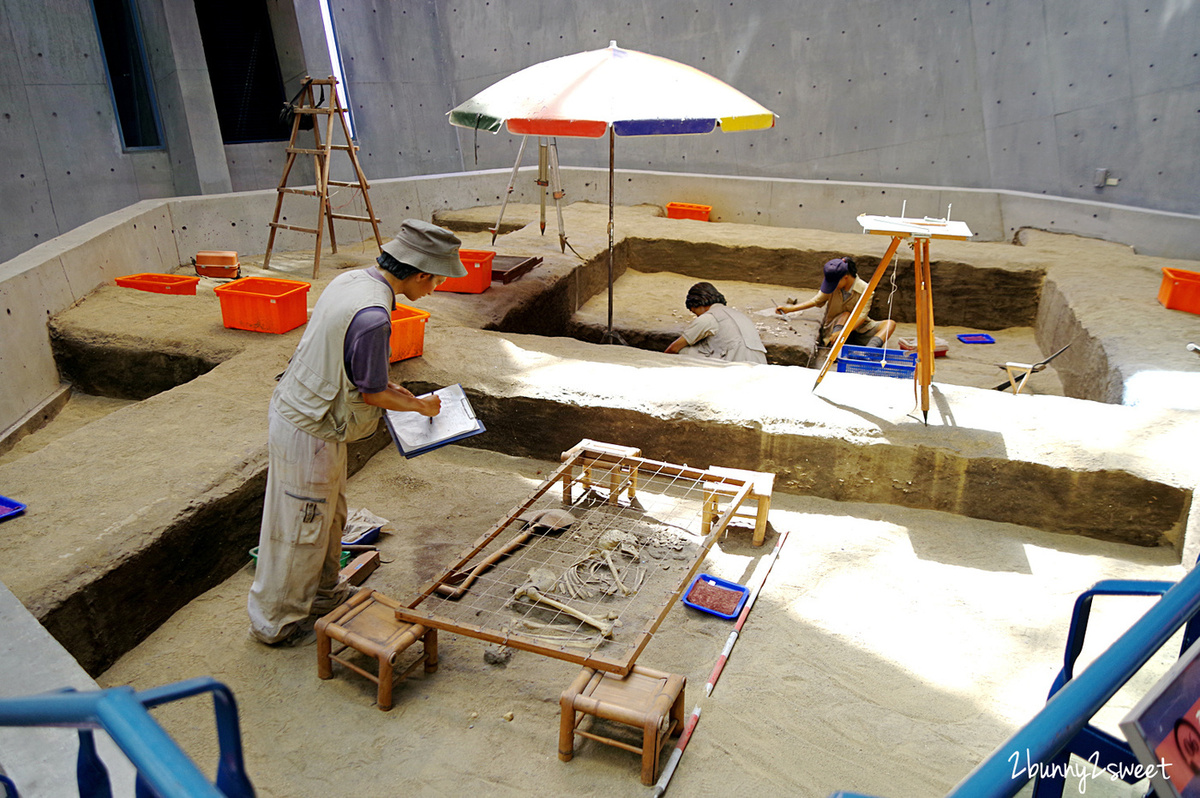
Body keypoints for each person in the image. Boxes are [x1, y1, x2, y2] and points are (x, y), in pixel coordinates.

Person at [247, 219, 466, 646]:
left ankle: (324, 595)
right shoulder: (373, 317)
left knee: (329, 516)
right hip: (310, 428)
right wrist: (420, 405)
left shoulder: (352, 281)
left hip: (309, 412)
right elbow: (371, 391)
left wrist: (393, 388)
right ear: (420, 273)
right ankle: (274, 623)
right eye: (437, 278)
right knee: (301, 524)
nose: (436, 288)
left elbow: (350, 366)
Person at [775, 257, 896, 348]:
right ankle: (834, 347)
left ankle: (869, 351)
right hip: (835, 329)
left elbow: (862, 316)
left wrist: (844, 332)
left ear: (846, 277)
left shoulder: (866, 289)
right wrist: (788, 309)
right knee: (845, 315)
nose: (832, 286)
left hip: (857, 328)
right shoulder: (832, 287)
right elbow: (815, 301)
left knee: (890, 324)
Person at [664, 281, 768, 364]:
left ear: (698, 304)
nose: (697, 316)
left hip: (736, 366)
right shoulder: (739, 315)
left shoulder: (708, 318)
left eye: (695, 312)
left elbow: (673, 349)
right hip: (760, 364)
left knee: (684, 350)